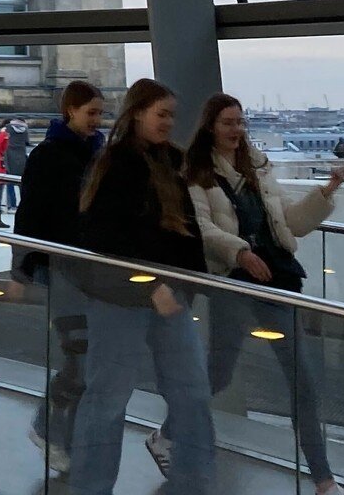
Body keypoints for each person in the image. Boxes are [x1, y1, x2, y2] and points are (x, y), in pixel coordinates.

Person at [184, 94, 344, 495]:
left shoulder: (258, 168)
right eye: (228, 122)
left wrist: (326, 190)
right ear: (211, 126)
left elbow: (290, 224)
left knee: (302, 382)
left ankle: (322, 479)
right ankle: (170, 429)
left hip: (277, 281)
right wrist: (239, 252)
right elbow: (203, 229)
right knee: (219, 373)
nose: (237, 130)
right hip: (235, 284)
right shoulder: (197, 176)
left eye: (241, 122)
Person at [69, 79, 214, 495]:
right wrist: (157, 284)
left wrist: (181, 286)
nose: (169, 122)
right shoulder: (115, 164)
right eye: (162, 114)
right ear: (138, 114)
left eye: (172, 115)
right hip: (122, 300)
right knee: (110, 398)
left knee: (192, 393)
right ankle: (92, 489)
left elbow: (187, 235)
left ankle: (196, 482)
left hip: (165, 296)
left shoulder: (171, 161)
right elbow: (103, 239)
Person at [12, 80, 106, 476]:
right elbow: (30, 212)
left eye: (100, 113)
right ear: (71, 111)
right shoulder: (49, 156)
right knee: (79, 355)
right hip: (62, 268)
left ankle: (64, 435)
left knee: (87, 358)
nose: (98, 121)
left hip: (95, 271)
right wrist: (20, 270)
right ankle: (46, 427)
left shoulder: (100, 154)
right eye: (92, 113)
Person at [3, 116, 29, 210]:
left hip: (10, 158)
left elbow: (3, 139)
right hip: (22, 158)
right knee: (22, 183)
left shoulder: (7, 128)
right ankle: (24, 204)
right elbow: (27, 142)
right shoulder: (25, 129)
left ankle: (12, 205)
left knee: (10, 182)